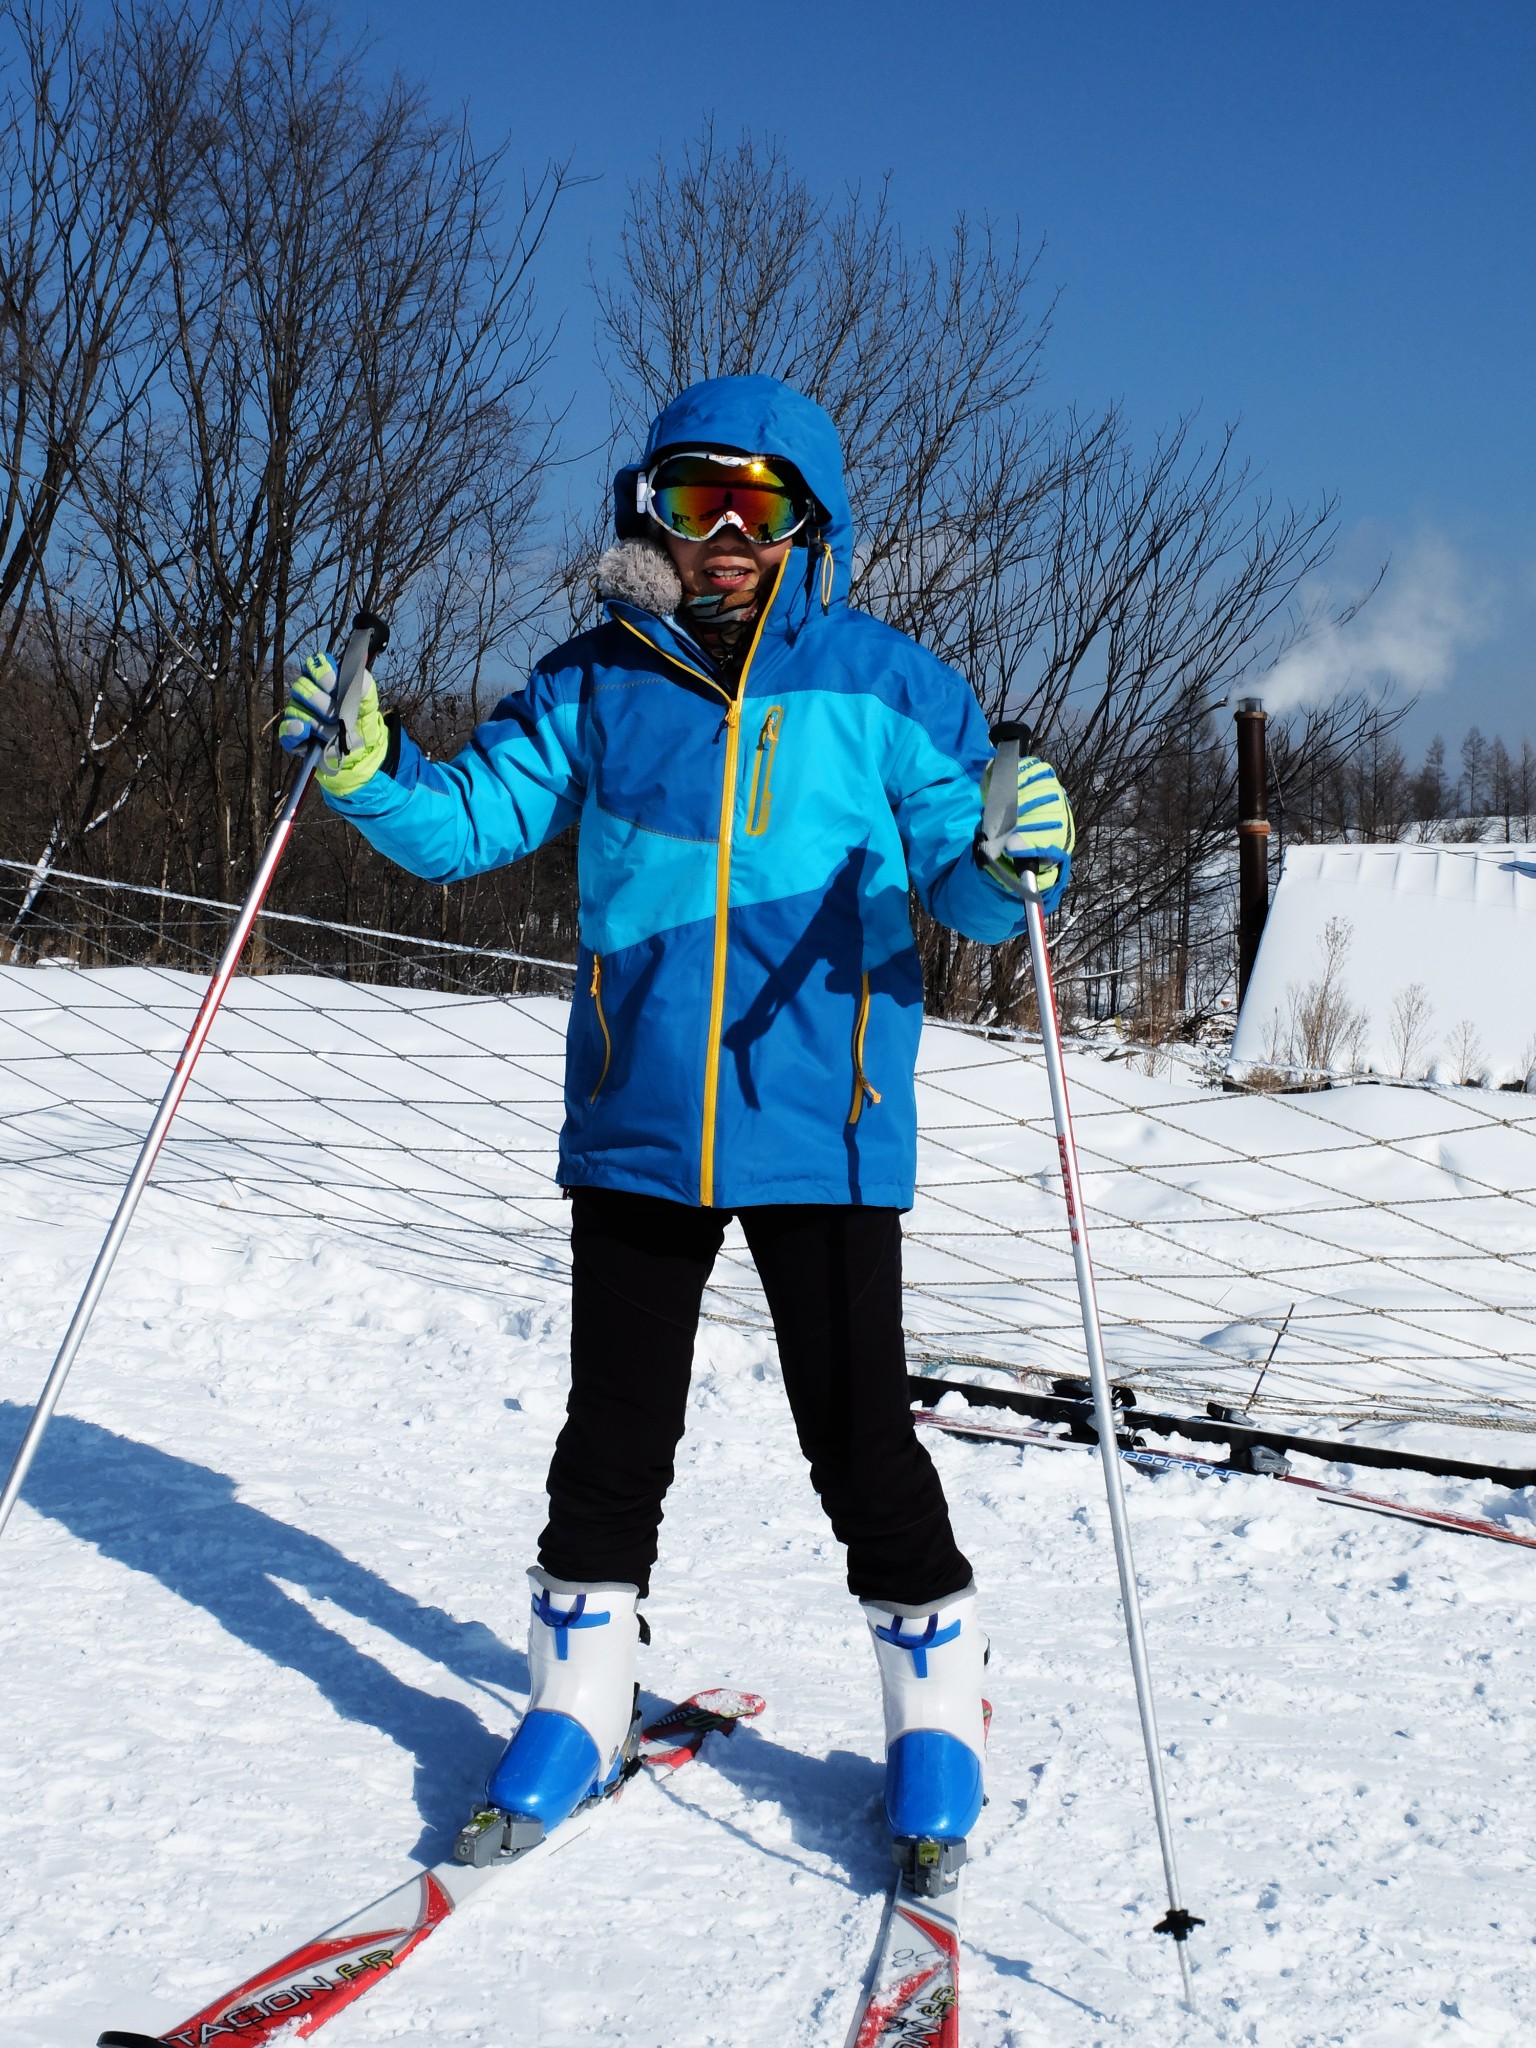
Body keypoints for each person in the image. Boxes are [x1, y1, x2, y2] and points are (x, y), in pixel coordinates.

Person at [280, 374, 1074, 1882]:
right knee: (611, 1433)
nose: (718, 533)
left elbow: (967, 897)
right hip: (638, 1118)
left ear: (808, 526)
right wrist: (369, 772)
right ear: (646, 508)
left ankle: (937, 1714)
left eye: (755, 504)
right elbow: (469, 828)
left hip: (823, 1128)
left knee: (856, 1440)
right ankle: (577, 1699)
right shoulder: (596, 679)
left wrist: (1012, 855)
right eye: (688, 497)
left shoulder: (893, 688)